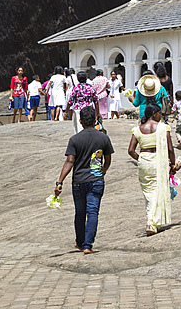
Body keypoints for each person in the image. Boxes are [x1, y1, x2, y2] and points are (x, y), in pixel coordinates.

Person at [53, 106, 113, 253]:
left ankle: (80, 242)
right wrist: (103, 171)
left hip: (78, 181)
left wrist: (60, 181)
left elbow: (69, 161)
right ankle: (88, 245)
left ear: (80, 121)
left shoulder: (74, 139)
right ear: (95, 120)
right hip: (96, 180)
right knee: (92, 212)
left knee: (80, 212)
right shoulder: (103, 138)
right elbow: (108, 159)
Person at [127, 100, 175, 236]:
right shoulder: (163, 128)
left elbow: (131, 150)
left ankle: (152, 221)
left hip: (144, 161)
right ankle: (151, 222)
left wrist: (140, 159)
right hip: (158, 160)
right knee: (157, 190)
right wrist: (173, 164)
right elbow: (170, 149)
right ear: (154, 114)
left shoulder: (138, 130)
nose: (161, 116)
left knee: (149, 192)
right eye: (159, 113)